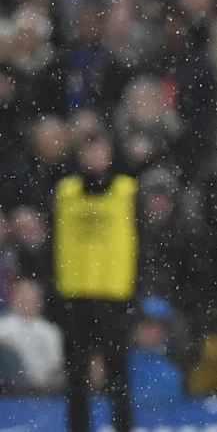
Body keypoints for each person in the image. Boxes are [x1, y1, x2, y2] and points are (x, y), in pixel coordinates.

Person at [53, 132, 138, 432]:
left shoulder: (126, 191)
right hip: (76, 299)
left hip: (114, 299)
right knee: (76, 379)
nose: (95, 157)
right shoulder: (66, 192)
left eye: (100, 149)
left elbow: (143, 244)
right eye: (89, 150)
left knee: (118, 379)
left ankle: (123, 428)